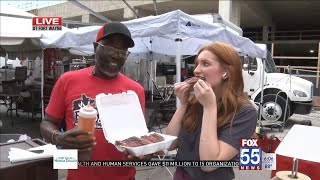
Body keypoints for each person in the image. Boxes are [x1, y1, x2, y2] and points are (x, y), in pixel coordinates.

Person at [40, 22, 145, 180]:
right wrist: (58, 137)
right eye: (109, 48)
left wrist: (142, 152)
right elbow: (46, 123)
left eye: (123, 51)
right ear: (95, 47)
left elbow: (138, 137)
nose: (116, 55)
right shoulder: (68, 80)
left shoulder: (135, 91)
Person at [166, 41, 258, 180]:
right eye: (197, 63)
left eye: (205, 64)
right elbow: (170, 144)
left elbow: (208, 164)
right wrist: (183, 104)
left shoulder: (245, 112)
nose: (196, 70)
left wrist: (210, 107)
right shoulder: (195, 101)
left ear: (226, 72)